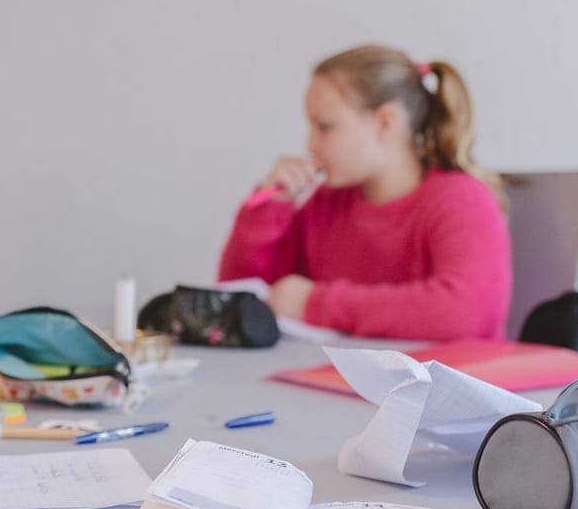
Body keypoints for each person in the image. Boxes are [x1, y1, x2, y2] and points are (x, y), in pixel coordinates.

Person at [217, 44, 510, 340]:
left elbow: (467, 313)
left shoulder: (462, 199)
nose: (310, 145)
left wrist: (316, 303)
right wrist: (268, 209)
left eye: (324, 127)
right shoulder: (327, 204)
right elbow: (243, 301)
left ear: (385, 124)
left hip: (446, 371)